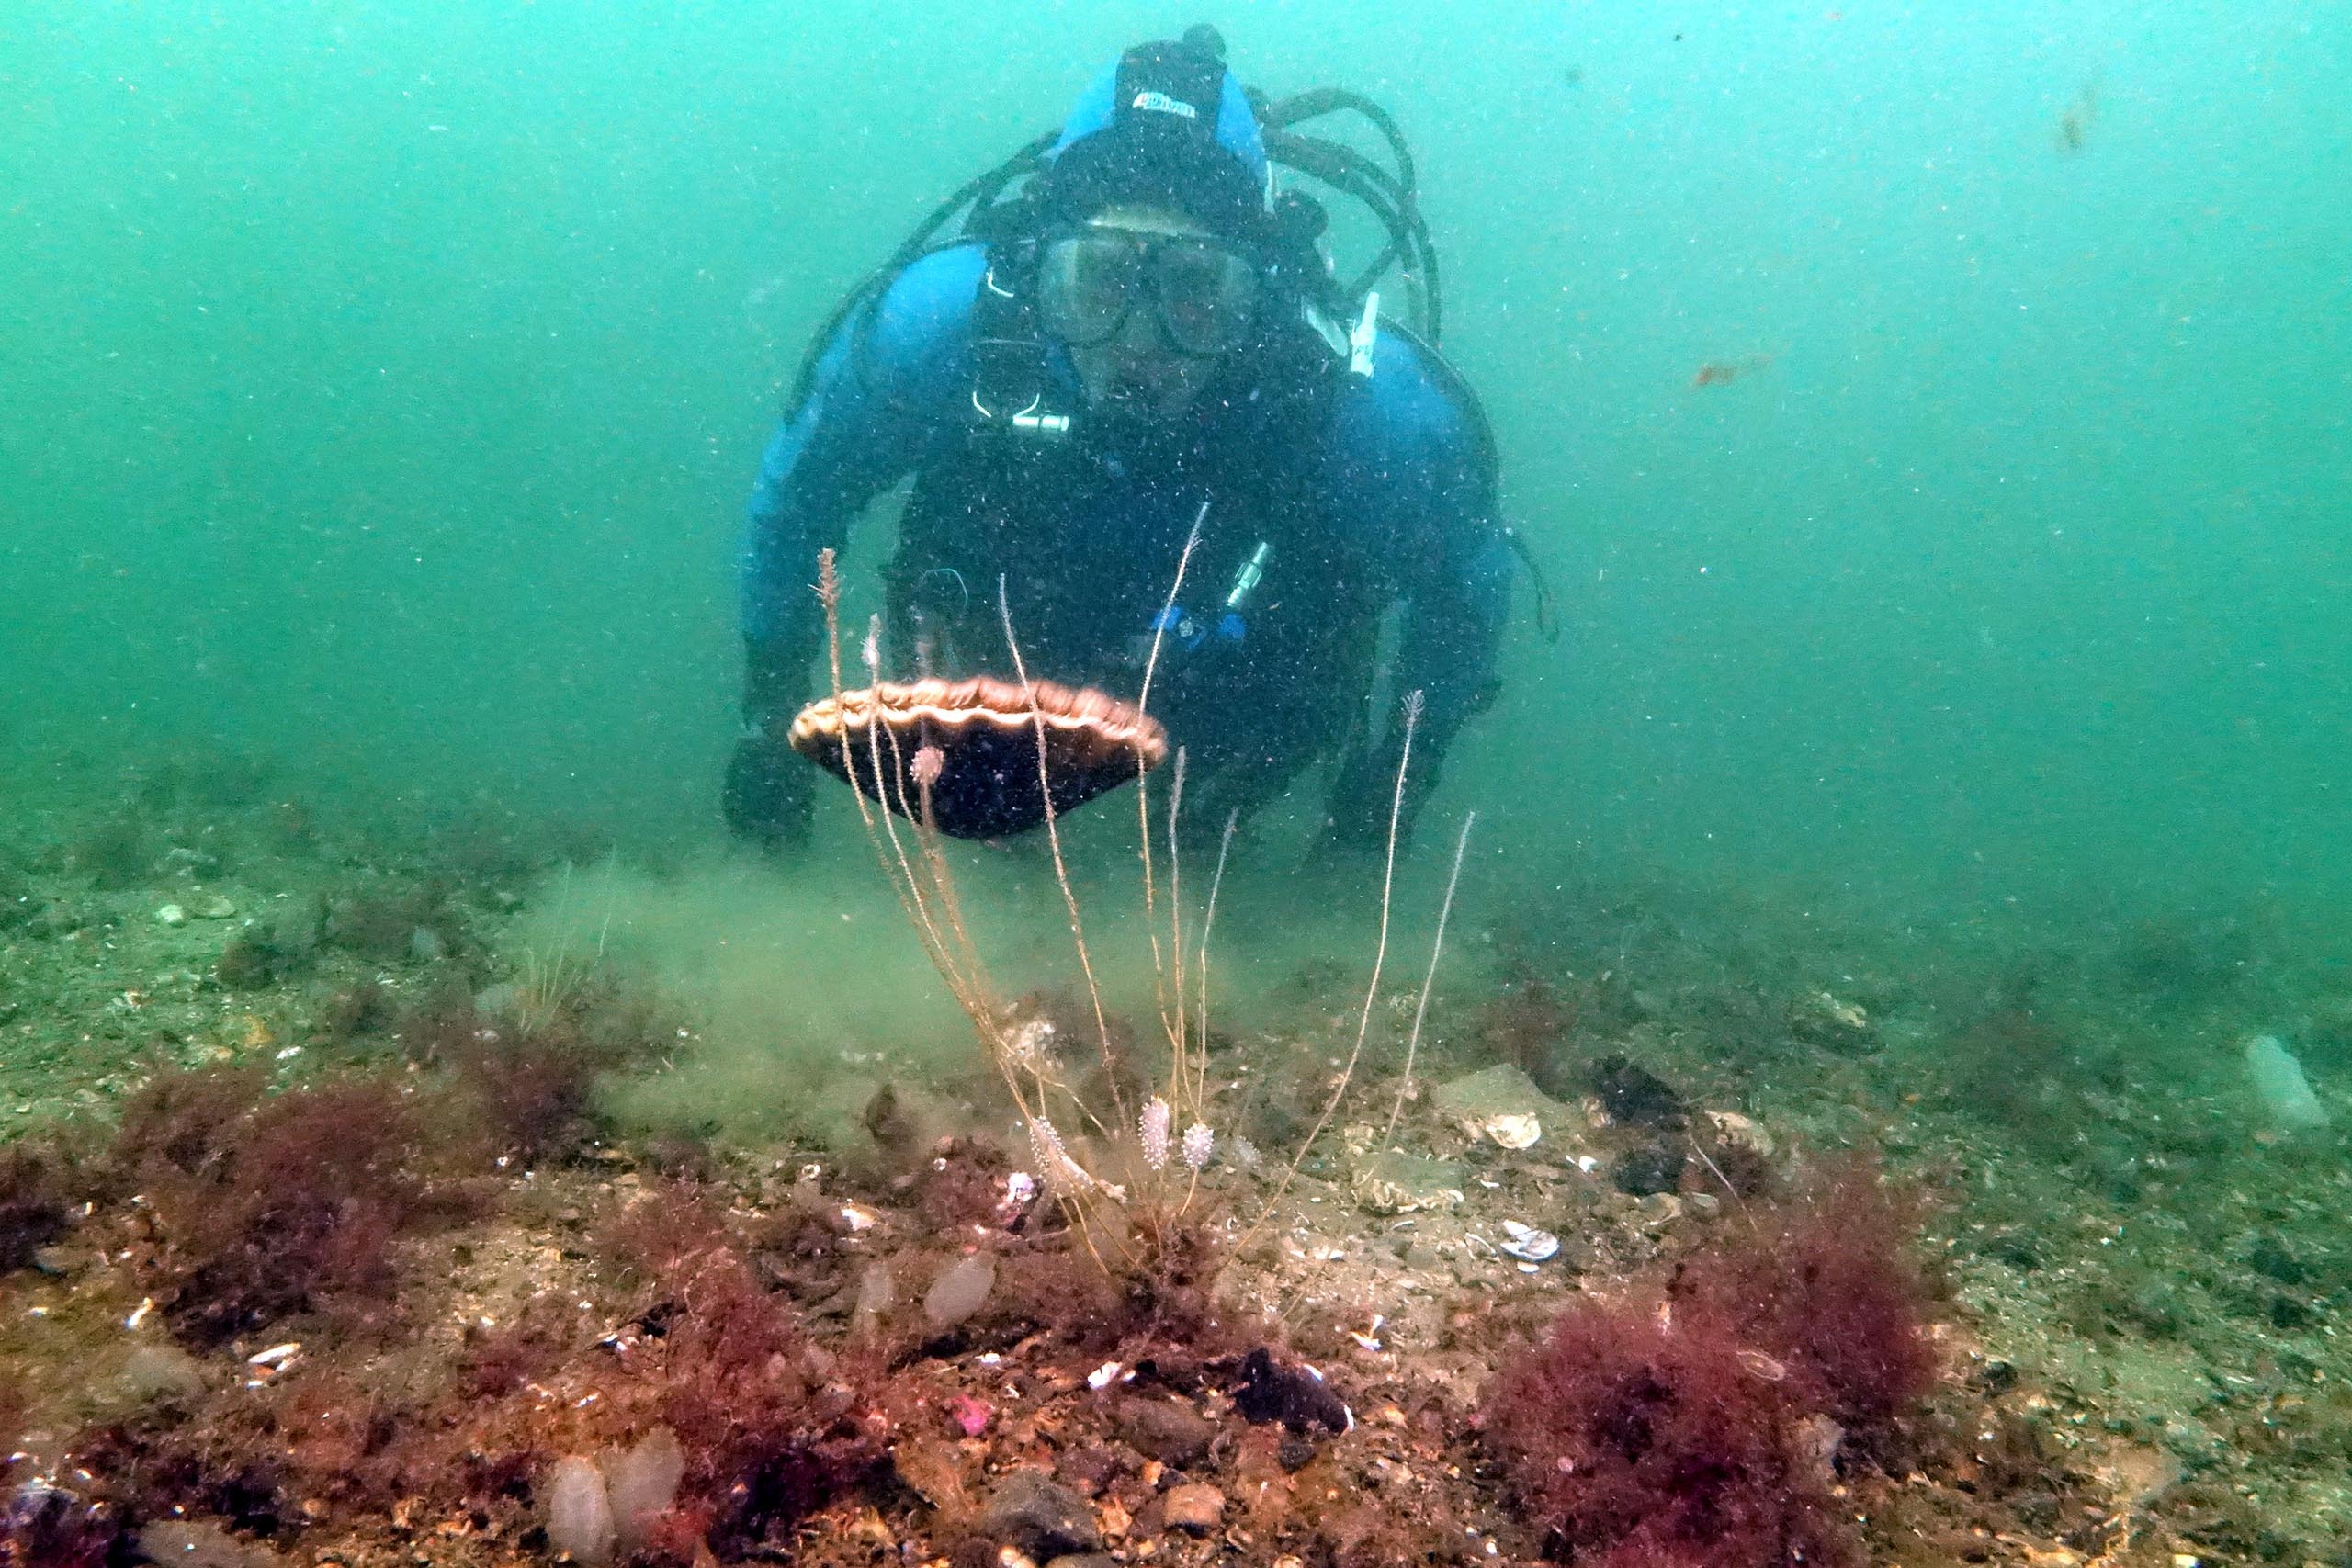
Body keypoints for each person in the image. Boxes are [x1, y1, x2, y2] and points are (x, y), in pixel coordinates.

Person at [722, 28, 1512, 857]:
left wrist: (1391, 787)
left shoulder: (1365, 406)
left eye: (1196, 286)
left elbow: (1463, 589)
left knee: (1213, 830)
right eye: (1098, 277)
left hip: (1241, 722)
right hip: (991, 700)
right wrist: (766, 720)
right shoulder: (940, 332)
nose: (1142, 338)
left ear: (1263, 289)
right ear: (1036, 271)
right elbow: (801, 498)